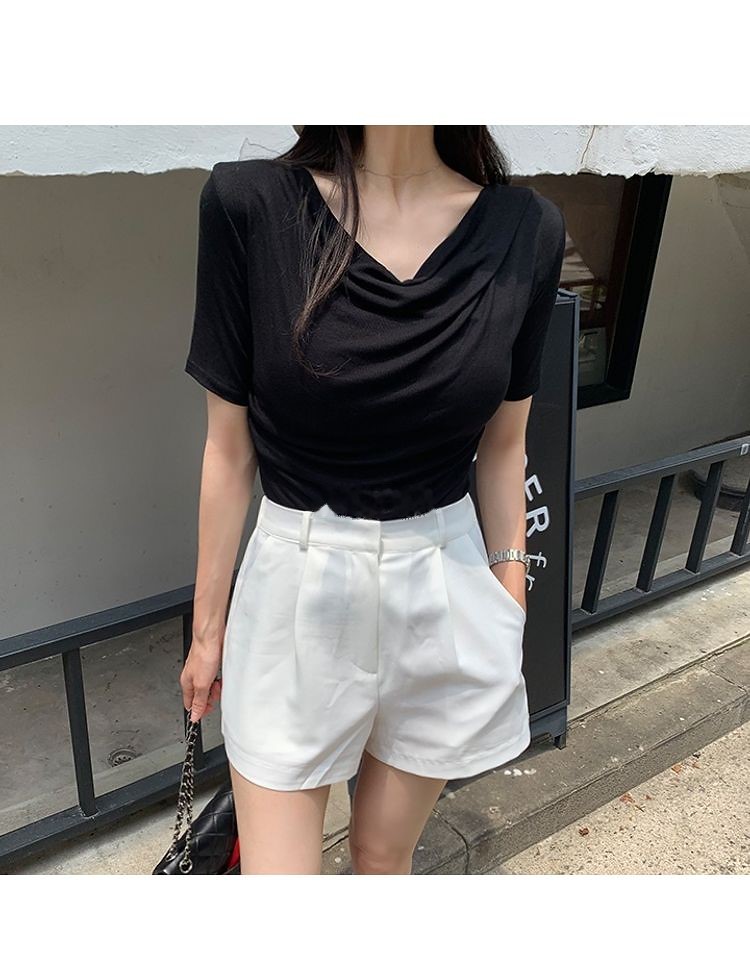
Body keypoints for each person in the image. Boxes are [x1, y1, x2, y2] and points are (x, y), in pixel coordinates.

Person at [180, 125, 566, 875]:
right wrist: (207, 632)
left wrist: (509, 596)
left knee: (385, 860)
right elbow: (228, 450)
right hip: (297, 585)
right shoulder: (249, 204)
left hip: (446, 581)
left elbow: (504, 445)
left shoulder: (525, 228)